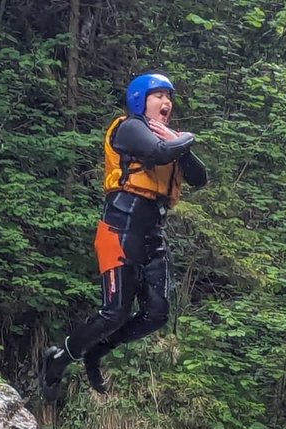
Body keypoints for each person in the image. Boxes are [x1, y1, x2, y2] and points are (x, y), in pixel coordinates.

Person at [41, 71, 207, 401]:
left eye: (169, 97)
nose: (166, 102)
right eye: (158, 96)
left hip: (152, 235)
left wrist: (182, 143)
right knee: (114, 311)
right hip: (120, 228)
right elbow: (159, 152)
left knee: (157, 314)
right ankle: (59, 357)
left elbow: (199, 177)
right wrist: (185, 138)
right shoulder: (130, 128)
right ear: (139, 100)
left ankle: (97, 351)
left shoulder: (171, 139)